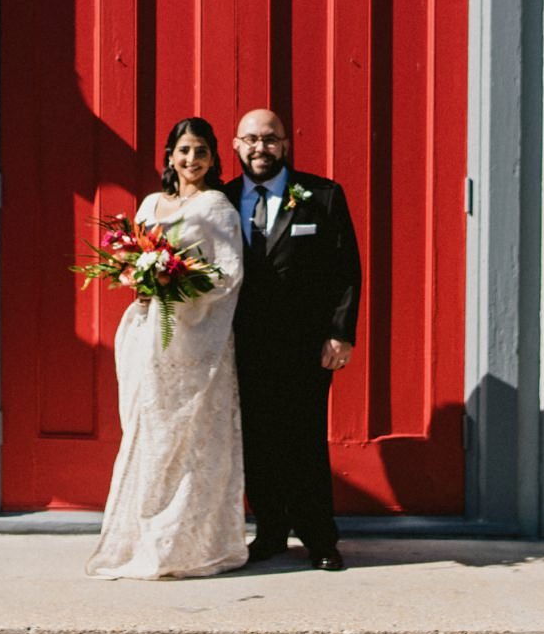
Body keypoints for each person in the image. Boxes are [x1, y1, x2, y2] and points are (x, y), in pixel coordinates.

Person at [85, 116, 248, 580]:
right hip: (147, 336)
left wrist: (178, 280)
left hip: (195, 342)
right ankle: (141, 537)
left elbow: (229, 274)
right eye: (184, 150)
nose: (192, 160)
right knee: (149, 432)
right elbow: (130, 257)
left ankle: (190, 545)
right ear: (170, 156)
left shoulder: (218, 208)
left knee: (191, 438)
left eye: (201, 151)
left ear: (214, 158)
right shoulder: (152, 204)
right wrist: (136, 276)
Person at [225, 107, 360, 571]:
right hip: (242, 346)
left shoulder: (321, 196)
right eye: (251, 139)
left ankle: (320, 538)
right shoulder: (220, 200)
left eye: (270, 139)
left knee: (304, 440)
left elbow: (346, 271)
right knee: (258, 441)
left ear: (285, 144)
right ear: (236, 145)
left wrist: (340, 334)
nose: (260, 148)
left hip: (305, 346)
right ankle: (271, 532)